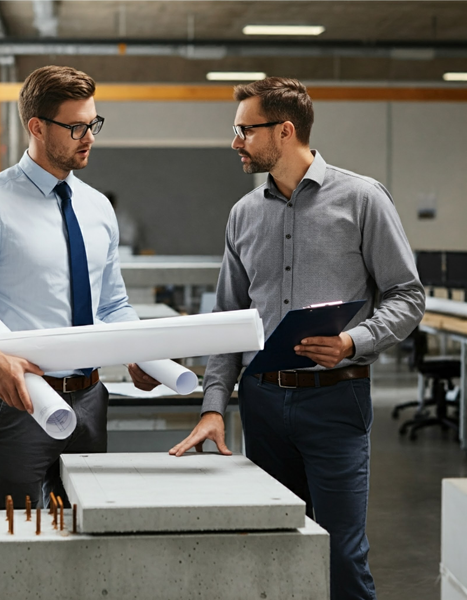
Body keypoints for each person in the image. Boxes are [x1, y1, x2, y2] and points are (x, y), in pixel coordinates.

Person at [169, 77, 425, 599]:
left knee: (341, 554)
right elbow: (229, 317)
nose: (235, 141)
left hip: (337, 400)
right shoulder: (244, 214)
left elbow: (407, 295)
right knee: (274, 546)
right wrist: (214, 405)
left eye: (245, 130)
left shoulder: (362, 199)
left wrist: (355, 340)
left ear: (285, 131)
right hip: (263, 402)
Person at [0, 65, 158, 600]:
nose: (88, 138)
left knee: (80, 545)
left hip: (89, 401)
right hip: (19, 405)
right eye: (75, 127)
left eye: (94, 123)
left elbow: (114, 304)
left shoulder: (98, 207)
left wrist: (142, 351)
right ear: (36, 126)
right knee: (8, 556)